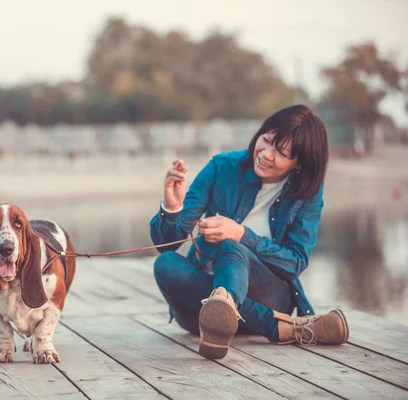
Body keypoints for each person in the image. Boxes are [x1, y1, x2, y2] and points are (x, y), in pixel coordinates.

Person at [149, 104, 349, 360]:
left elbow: (295, 262)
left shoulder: (306, 193)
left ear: (299, 163)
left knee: (231, 246)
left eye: (282, 152)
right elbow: (166, 245)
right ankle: (279, 327)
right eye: (266, 140)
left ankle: (226, 309)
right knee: (165, 263)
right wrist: (172, 206)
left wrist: (242, 234)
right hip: (198, 312)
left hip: (270, 297)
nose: (266, 154)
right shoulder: (221, 167)